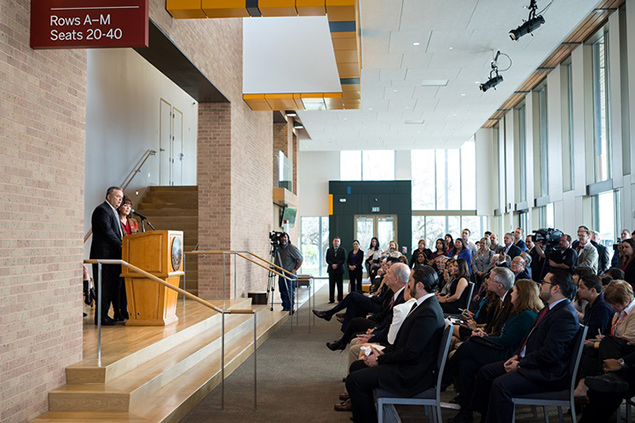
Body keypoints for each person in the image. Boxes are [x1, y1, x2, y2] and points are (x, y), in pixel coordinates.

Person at [468, 270, 580, 423]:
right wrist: (517, 355)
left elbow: (550, 354)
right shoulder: (550, 309)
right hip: (531, 362)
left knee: (501, 385)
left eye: (545, 283)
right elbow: (529, 339)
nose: (540, 286)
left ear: (556, 288)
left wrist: (521, 364)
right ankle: (484, 417)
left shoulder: (565, 315)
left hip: (547, 373)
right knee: (485, 372)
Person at [345, 266, 444, 423]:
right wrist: (381, 353)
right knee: (357, 367)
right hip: (408, 366)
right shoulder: (424, 305)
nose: (408, 284)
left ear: (419, 285)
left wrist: (379, 360)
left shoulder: (428, 312)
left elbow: (411, 353)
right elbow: (404, 344)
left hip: (411, 375)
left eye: (410, 281)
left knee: (354, 381)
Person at [446, 279, 542, 422]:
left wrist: (483, 339)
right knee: (466, 364)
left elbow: (505, 341)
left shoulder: (526, 316)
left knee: (470, 344)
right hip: (501, 349)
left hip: (506, 355)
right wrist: (484, 336)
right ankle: (466, 412)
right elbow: (502, 336)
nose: (511, 294)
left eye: (514, 291)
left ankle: (444, 378)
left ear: (522, 295)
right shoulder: (520, 313)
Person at [575, 280, 635, 399]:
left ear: (626, 300)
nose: (612, 307)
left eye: (615, 304)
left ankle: (589, 387)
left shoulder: (633, 313)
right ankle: (586, 388)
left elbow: (627, 341)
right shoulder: (620, 312)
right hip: (617, 350)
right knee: (589, 352)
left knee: (595, 350)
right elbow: (618, 337)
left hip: (628, 355)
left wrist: (599, 343)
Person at [90, 186, 124, 326]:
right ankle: (101, 317)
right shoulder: (102, 210)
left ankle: (107, 314)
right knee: (103, 287)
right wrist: (122, 244)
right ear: (109, 196)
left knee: (111, 287)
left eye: (121, 198)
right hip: (104, 256)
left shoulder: (114, 212)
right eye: (117, 197)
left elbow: (119, 232)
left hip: (113, 256)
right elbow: (107, 232)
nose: (120, 200)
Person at [112, 196, 138, 321]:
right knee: (118, 285)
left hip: (130, 256)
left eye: (129, 206)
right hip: (118, 255)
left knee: (126, 286)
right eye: (125, 205)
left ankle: (125, 309)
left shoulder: (133, 222)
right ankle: (117, 311)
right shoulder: (115, 219)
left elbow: (138, 237)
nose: (128, 208)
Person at [275, 232, 303, 312]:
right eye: (282, 237)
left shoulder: (291, 248)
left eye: (285, 237)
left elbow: (300, 259)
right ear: (280, 239)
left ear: (288, 238)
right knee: (282, 290)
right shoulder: (279, 249)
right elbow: (276, 259)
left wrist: (295, 269)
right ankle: (285, 306)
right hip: (281, 273)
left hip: (290, 273)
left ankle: (290, 307)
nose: (284, 239)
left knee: (289, 291)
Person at [326, 237, 346, 303]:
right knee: (331, 285)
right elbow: (327, 259)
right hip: (331, 270)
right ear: (333, 242)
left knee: (340, 285)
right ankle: (331, 299)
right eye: (335, 241)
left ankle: (340, 299)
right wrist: (332, 264)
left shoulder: (342, 250)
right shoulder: (329, 250)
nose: (336, 242)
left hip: (339, 269)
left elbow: (343, 259)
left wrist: (337, 265)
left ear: (339, 243)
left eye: (337, 241)